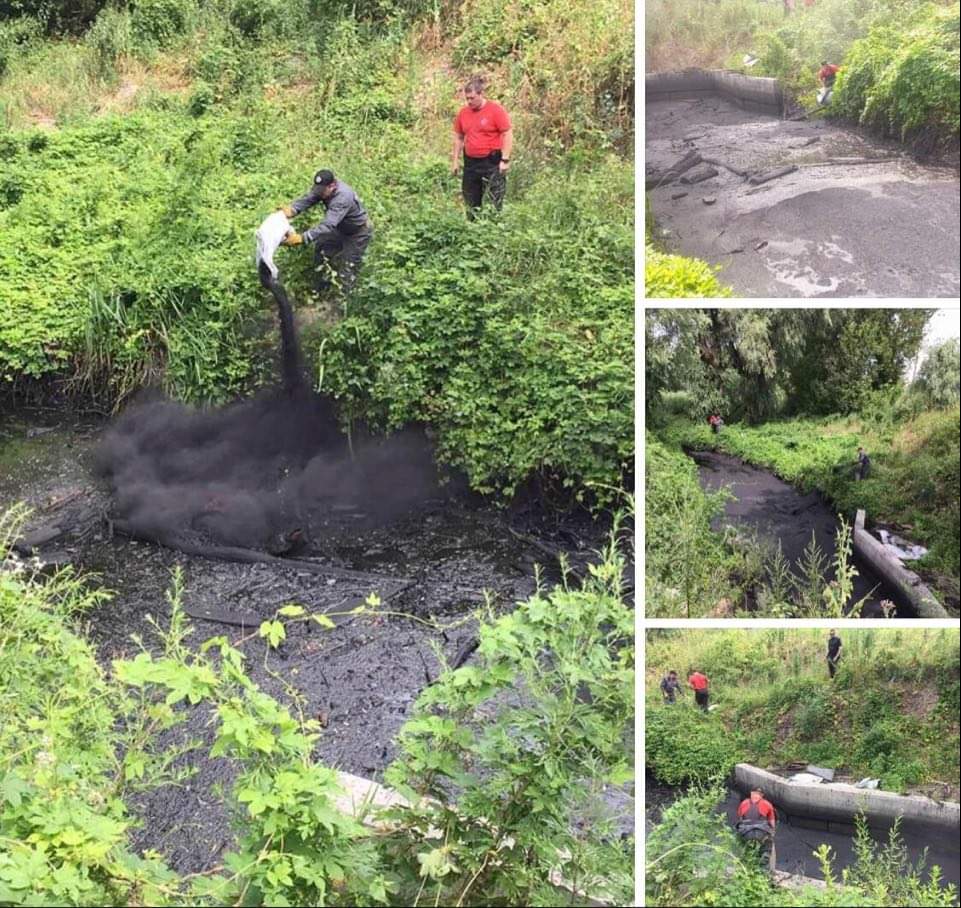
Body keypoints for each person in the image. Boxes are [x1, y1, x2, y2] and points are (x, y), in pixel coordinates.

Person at [279, 169, 373, 294]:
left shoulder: (343, 197)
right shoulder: (323, 189)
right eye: (318, 190)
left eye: (322, 191)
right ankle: (321, 288)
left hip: (358, 232)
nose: (320, 193)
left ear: (332, 186)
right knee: (322, 250)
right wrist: (293, 209)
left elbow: (327, 225)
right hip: (340, 228)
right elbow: (310, 198)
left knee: (348, 269)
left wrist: (303, 238)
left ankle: (346, 303)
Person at [451, 76, 513, 219]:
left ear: (481, 94)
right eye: (467, 99)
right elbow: (459, 137)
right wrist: (455, 160)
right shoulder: (463, 113)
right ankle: (472, 229)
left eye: (472, 98)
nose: (469, 102)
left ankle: (492, 230)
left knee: (494, 200)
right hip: (471, 163)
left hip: (491, 161)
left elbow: (507, 134)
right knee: (471, 200)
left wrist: (505, 159)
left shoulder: (495, 110)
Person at [736, 788, 777, 873]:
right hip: (761, 833)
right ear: (762, 795)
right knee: (766, 850)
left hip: (745, 832)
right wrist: (772, 833)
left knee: (745, 851)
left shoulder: (743, 803)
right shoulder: (767, 804)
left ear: (751, 793)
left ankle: (744, 870)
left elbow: (740, 819)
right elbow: (772, 824)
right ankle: (765, 872)